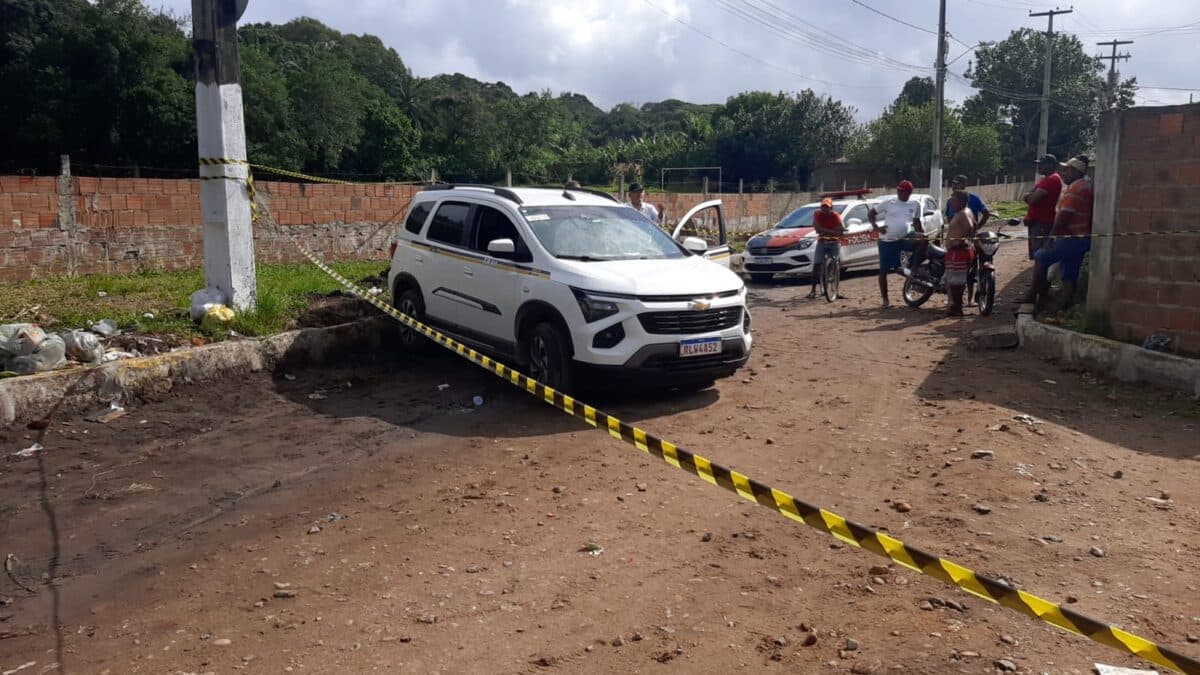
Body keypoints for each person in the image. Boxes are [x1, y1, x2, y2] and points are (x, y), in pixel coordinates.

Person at [1020, 157, 1093, 310]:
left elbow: (1063, 218)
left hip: (1070, 237)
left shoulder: (1075, 189)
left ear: (1075, 171)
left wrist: (1050, 239)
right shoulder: (1085, 185)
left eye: (1066, 170)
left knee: (1041, 257)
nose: (1063, 173)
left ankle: (1035, 296)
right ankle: (1065, 302)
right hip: (1080, 237)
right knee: (1070, 269)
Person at [869, 180, 924, 308]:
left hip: (904, 238)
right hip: (887, 240)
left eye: (902, 191)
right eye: (898, 190)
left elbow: (917, 223)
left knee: (924, 239)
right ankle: (885, 300)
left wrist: (920, 233)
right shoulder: (889, 203)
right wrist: (876, 227)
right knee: (884, 271)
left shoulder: (915, 204)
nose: (899, 193)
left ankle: (914, 268)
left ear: (909, 193)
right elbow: (871, 213)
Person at [1022, 154, 1063, 260]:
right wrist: (1029, 196)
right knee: (1037, 254)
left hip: (1042, 224)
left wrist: (1028, 196)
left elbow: (1032, 199)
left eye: (1042, 164)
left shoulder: (1052, 179)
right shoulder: (1045, 179)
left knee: (1040, 255)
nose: (1039, 167)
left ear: (1050, 165)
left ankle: (1040, 276)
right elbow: (1030, 195)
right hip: (1038, 223)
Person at [943, 191, 976, 317]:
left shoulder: (963, 213)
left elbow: (969, 226)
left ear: (961, 201)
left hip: (958, 252)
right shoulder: (965, 212)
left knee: (956, 282)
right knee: (954, 281)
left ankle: (957, 308)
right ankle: (956, 306)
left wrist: (962, 240)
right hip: (956, 251)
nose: (951, 202)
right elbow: (975, 225)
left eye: (954, 199)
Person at [806, 197, 845, 299]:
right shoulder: (817, 214)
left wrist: (825, 231)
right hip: (822, 242)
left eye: (827, 207)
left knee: (836, 264)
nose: (824, 209)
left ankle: (836, 290)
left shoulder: (835, 215)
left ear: (831, 207)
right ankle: (813, 291)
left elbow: (841, 229)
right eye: (823, 206)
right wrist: (832, 231)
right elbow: (817, 228)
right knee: (816, 265)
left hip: (835, 242)